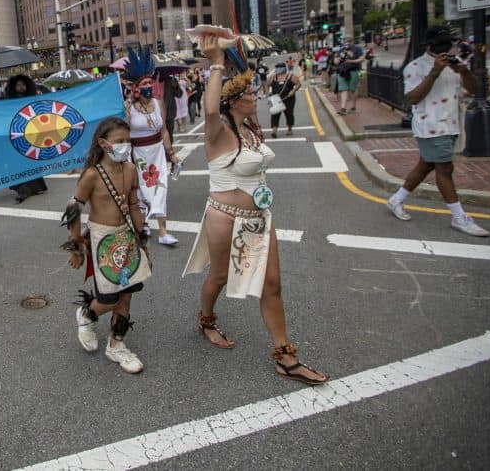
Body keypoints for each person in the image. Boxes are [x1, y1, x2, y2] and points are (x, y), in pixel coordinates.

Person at [184, 33, 328, 386]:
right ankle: (206, 318)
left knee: (273, 285)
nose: (254, 96)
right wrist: (217, 61)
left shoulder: (250, 129)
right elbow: (211, 108)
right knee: (218, 277)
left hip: (259, 218)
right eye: (248, 94)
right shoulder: (217, 132)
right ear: (234, 101)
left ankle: (285, 356)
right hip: (223, 215)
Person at [60, 116, 147, 374]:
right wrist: (77, 247)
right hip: (102, 241)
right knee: (108, 298)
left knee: (127, 294)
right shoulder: (91, 175)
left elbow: (133, 204)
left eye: (128, 141)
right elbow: (73, 208)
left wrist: (141, 238)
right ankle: (87, 314)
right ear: (103, 143)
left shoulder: (131, 169)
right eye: (120, 141)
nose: (125, 146)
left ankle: (116, 345)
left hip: (127, 238)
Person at [385, 26, 490, 237]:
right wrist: (434, 72)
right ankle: (459, 217)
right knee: (445, 169)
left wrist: (464, 71)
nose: (446, 48)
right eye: (442, 45)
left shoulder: (455, 65)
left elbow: (475, 89)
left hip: (451, 125)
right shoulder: (415, 67)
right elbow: (412, 98)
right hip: (430, 126)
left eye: (448, 44)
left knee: (425, 166)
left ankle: (396, 199)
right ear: (430, 46)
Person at [122, 45, 181, 246]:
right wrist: (127, 112)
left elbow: (163, 129)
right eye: (144, 83)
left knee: (161, 188)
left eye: (150, 82)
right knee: (142, 191)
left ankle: (163, 231)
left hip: (157, 152)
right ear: (136, 87)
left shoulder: (158, 103)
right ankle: (143, 224)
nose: (149, 86)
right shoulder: (128, 106)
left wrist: (171, 154)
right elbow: (123, 133)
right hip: (138, 153)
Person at [4, 74, 48, 202]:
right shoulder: (8, 101)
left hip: (29, 134)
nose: (21, 87)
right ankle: (22, 188)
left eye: (23, 84)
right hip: (14, 135)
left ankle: (35, 187)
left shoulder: (30, 99)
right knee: (16, 162)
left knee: (29, 160)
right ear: (13, 87)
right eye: (18, 85)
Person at [268, 62, 300, 138]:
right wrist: (268, 96)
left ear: (284, 68)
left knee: (289, 113)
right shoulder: (273, 77)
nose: (278, 69)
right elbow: (267, 85)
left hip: (288, 98)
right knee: (275, 114)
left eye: (279, 67)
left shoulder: (291, 76)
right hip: (276, 98)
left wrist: (293, 91)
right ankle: (274, 131)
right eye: (276, 67)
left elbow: (298, 84)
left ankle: (289, 129)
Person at [336, 37, 365, 114]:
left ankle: (353, 106)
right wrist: (339, 59)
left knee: (353, 89)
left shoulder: (357, 48)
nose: (347, 43)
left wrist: (351, 59)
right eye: (346, 41)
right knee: (343, 89)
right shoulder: (341, 49)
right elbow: (336, 61)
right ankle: (343, 108)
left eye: (349, 41)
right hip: (342, 71)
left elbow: (361, 59)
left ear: (352, 41)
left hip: (353, 71)